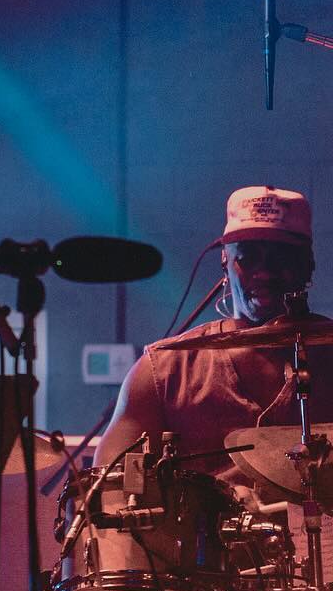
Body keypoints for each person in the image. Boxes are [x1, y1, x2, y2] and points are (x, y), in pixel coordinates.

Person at [98, 184, 333, 468]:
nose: (263, 272)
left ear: (307, 264)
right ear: (225, 260)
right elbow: (105, 490)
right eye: (247, 258)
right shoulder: (164, 372)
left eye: (280, 258)